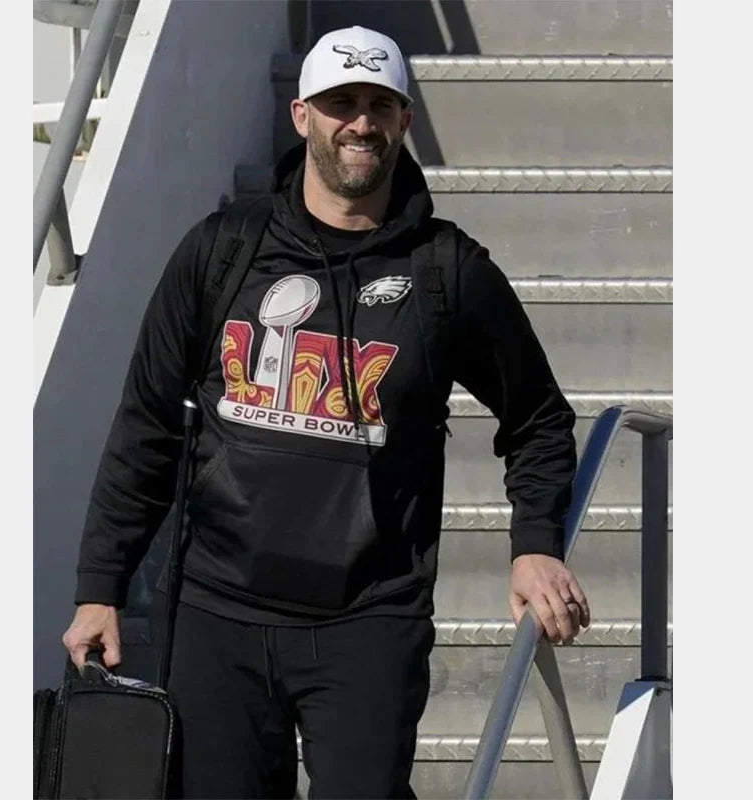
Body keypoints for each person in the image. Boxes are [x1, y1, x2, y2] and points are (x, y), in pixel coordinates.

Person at [62, 25, 591, 799]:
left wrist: (534, 544)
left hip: (367, 622)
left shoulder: (446, 272)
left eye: (380, 104)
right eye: (341, 102)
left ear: (405, 119)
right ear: (302, 114)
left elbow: (538, 419)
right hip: (217, 612)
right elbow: (146, 426)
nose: (361, 123)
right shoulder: (221, 253)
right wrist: (99, 586)